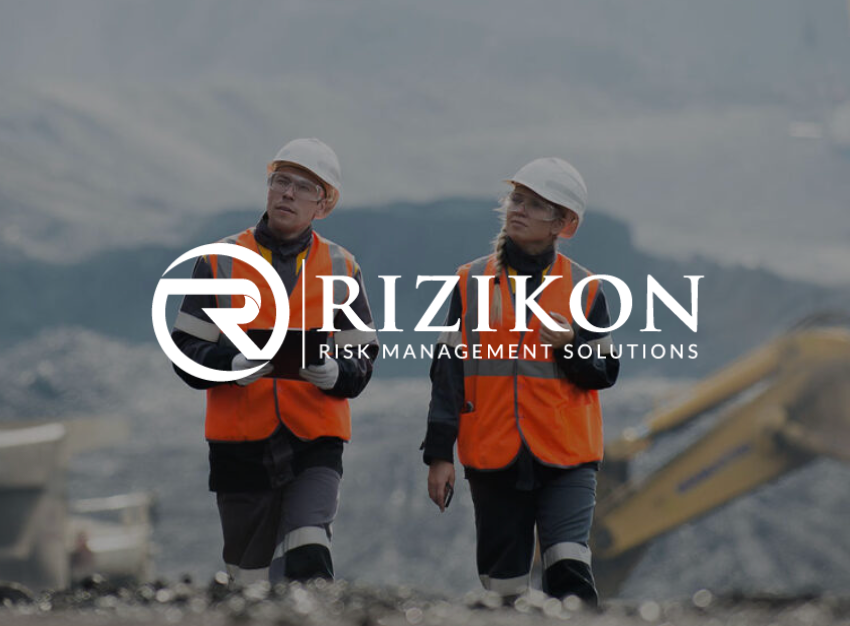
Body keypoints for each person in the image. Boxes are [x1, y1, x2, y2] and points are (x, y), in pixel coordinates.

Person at [171, 138, 378, 585]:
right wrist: (231, 364)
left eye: (303, 187)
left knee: (309, 549)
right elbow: (185, 352)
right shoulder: (219, 261)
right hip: (239, 446)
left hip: (315, 440)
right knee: (249, 579)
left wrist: (335, 373)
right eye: (281, 181)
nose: (287, 193)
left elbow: (362, 356)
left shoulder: (342, 267)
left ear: (323, 205)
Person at [422, 157, 619, 605]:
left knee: (569, 570)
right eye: (516, 198)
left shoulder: (586, 287)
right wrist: (439, 453)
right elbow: (447, 373)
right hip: (493, 456)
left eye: (534, 204)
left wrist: (570, 345)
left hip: (567, 456)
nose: (519, 209)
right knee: (504, 590)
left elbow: (605, 371)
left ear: (562, 224)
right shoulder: (470, 282)